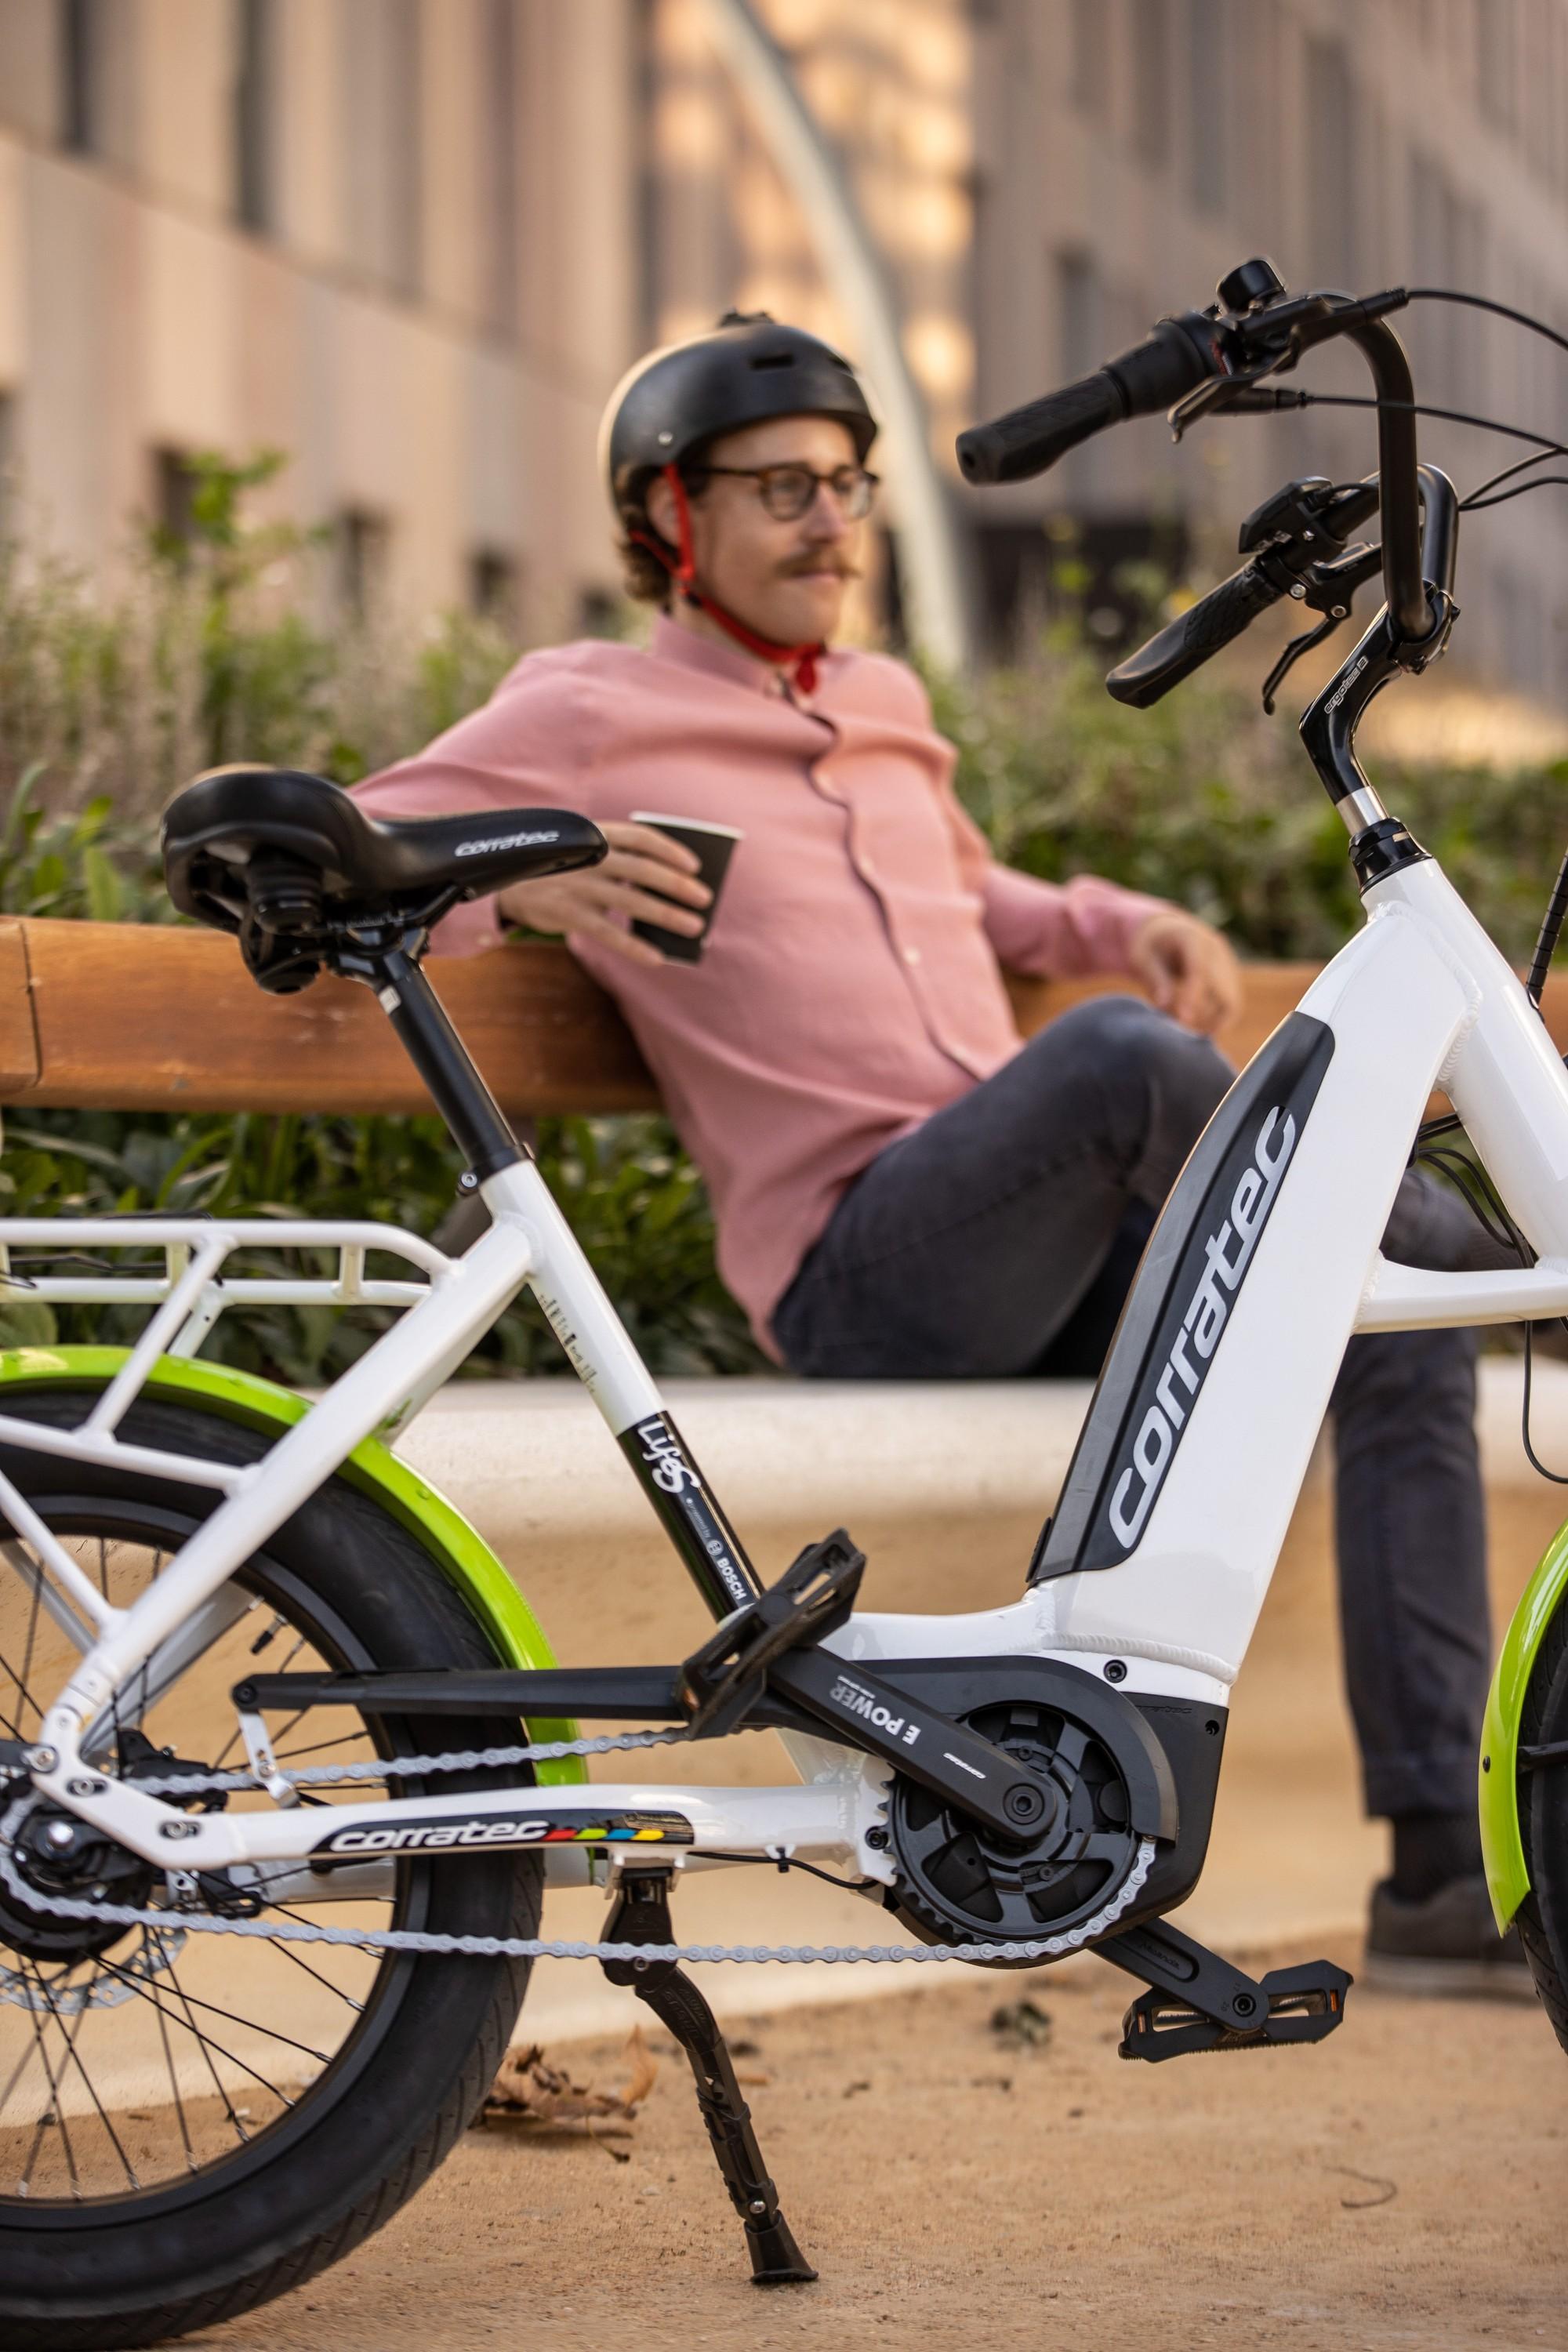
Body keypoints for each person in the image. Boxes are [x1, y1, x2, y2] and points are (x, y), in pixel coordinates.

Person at [354, 311, 1523, 1995]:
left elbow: (963, 893)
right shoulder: (587, 710)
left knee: (1377, 1320)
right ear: (668, 519)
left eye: (849, 485)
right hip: (866, 1266)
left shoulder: (886, 704)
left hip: (1030, 1241)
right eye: (780, 490)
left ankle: (1430, 1868)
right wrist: (512, 877)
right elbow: (350, 843)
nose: (832, 521)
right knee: (1137, 1074)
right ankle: (1472, 1247)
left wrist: (1115, 914)